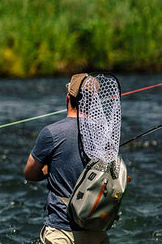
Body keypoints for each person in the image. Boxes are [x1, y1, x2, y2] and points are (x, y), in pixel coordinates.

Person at [24, 73, 109, 244]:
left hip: (61, 230)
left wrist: (49, 170)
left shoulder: (51, 132)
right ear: (93, 102)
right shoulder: (104, 135)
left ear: (68, 97)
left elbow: (30, 174)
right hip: (95, 230)